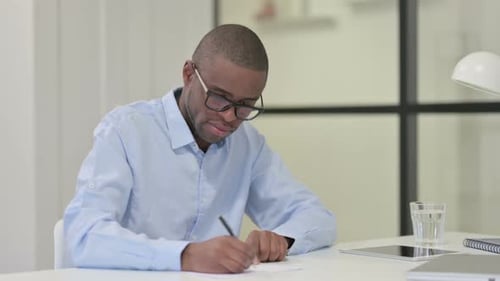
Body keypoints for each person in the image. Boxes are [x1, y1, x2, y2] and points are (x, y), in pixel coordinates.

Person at [63, 23, 336, 274]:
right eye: (219, 98)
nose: (230, 117)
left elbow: (317, 218)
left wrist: (282, 239)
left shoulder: (247, 146)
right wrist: (185, 256)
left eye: (245, 105)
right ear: (189, 74)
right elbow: (85, 236)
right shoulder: (125, 131)